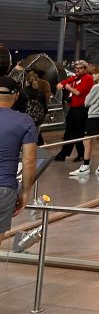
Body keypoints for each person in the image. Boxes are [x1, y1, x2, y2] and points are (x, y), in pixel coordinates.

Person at [0, 76, 37, 235]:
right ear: (16, 96)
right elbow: (29, 160)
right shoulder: (24, 121)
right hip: (4, 187)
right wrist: (25, 191)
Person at [69, 66, 99, 176]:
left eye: (95, 73)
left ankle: (86, 166)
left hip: (94, 116)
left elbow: (87, 101)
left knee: (87, 141)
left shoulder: (97, 87)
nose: (93, 76)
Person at [54, 60, 92, 161]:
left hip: (81, 109)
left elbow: (78, 92)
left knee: (78, 132)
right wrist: (61, 84)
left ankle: (81, 154)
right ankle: (64, 154)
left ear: (85, 69)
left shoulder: (87, 78)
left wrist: (67, 87)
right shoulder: (75, 78)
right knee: (69, 132)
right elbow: (61, 83)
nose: (77, 70)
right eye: (76, 68)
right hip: (74, 108)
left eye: (79, 68)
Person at [21, 69, 51, 146]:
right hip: (37, 120)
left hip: (25, 119)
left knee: (25, 138)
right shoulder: (40, 92)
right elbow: (45, 107)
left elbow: (20, 105)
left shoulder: (23, 91)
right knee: (34, 138)